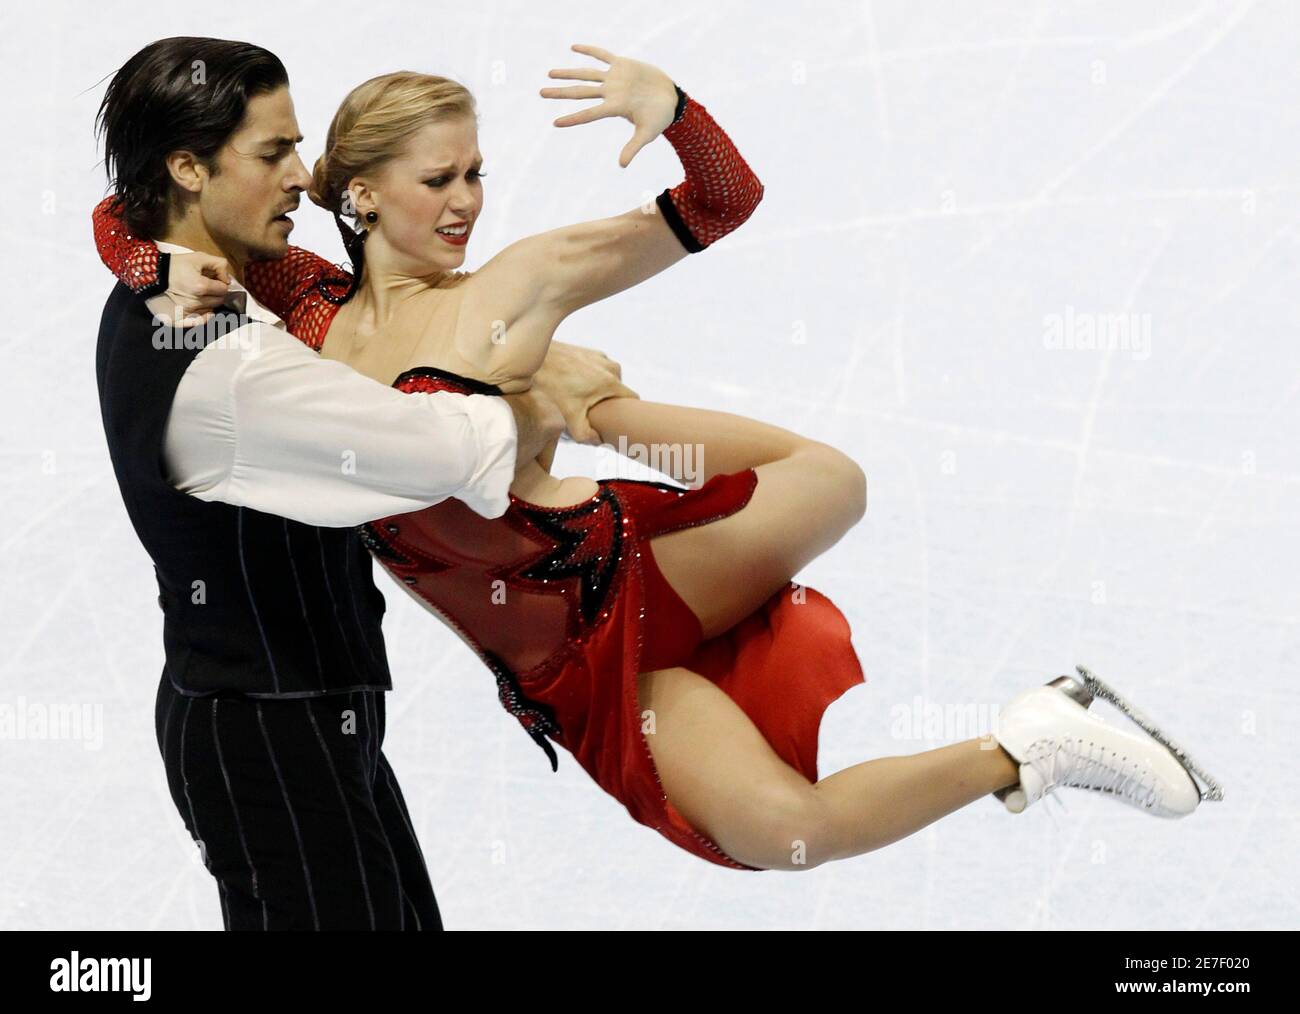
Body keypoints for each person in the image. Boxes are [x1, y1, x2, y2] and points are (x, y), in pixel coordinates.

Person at [96, 41, 1213, 877]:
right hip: (558, 667)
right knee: (787, 833)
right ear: (361, 192)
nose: (467, 202)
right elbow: (129, 203)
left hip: (616, 568)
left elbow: (722, 199)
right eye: (438, 178)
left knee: (836, 481)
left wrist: (671, 112)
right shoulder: (299, 302)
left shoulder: (519, 281)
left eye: (475, 173)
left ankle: (612, 411)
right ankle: (1031, 745)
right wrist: (144, 263)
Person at [92, 36, 631, 930]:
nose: (303, 177)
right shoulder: (224, 364)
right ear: (188, 168)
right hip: (269, 730)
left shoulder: (208, 286)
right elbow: (433, 451)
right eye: (272, 153)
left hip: (299, 714)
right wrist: (538, 393)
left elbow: (120, 211)